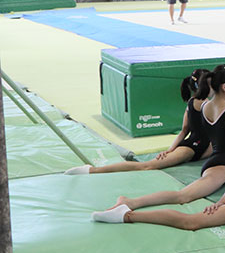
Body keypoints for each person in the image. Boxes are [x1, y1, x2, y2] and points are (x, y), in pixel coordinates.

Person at [93, 88, 225, 228]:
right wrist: (223, 203)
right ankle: (127, 215)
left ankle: (129, 205)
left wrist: (221, 201)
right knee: (191, 222)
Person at [90, 64, 225, 217]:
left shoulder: (205, 107)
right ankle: (131, 202)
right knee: (183, 196)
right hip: (222, 166)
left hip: (217, 160)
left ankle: (111, 186)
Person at [67, 69, 213, 175]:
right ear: (204, 86)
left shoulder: (192, 102)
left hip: (199, 147)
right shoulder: (206, 104)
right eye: (211, 85)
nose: (214, 88)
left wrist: (170, 149)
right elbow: (188, 131)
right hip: (191, 149)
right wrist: (171, 151)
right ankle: (92, 170)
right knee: (146, 166)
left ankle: (93, 170)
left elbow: (184, 130)